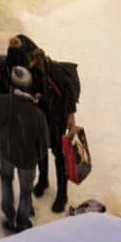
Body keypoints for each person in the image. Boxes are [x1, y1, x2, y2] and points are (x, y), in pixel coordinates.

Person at [0, 64, 50, 233]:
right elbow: (44, 143)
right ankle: (22, 224)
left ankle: (9, 216)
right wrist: (36, 156)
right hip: (27, 160)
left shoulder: (0, 101)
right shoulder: (37, 115)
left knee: (5, 180)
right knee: (26, 191)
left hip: (6, 151)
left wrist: (1, 139)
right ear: (28, 87)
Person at [30, 45, 81, 214]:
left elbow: (69, 97)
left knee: (59, 156)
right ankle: (43, 179)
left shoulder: (56, 73)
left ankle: (62, 194)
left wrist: (71, 118)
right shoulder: (34, 72)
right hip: (43, 116)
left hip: (57, 119)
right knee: (41, 149)